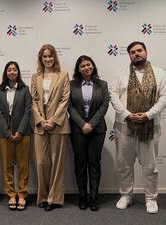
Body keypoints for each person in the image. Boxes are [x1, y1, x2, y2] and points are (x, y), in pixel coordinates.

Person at [109, 41, 166, 214]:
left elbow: (165, 97)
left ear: (146, 52)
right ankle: (126, 195)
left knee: (150, 166)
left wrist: (148, 114)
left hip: (150, 126)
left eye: (139, 50)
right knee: (124, 164)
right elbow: (113, 95)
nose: (136, 54)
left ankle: (151, 199)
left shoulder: (159, 73)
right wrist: (127, 114)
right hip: (124, 126)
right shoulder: (120, 73)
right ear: (129, 55)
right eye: (133, 52)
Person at [31, 44, 71, 211]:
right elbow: (33, 100)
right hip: (40, 126)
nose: (48, 59)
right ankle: (42, 196)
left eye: (50, 56)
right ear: (41, 58)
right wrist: (41, 120)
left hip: (58, 125)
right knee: (41, 163)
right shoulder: (35, 77)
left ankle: (53, 199)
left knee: (57, 163)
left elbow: (65, 99)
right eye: (44, 56)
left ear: (55, 57)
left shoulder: (63, 75)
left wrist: (53, 120)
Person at [68, 55, 109, 211]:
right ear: (78, 69)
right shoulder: (71, 85)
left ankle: (94, 198)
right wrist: (82, 124)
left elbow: (104, 105)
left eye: (88, 65)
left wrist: (91, 124)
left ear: (93, 66)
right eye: (83, 66)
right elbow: (69, 106)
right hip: (77, 130)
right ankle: (82, 197)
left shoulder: (102, 85)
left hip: (97, 130)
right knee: (80, 163)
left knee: (94, 163)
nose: (86, 68)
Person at [0, 61, 32, 211]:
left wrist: (20, 131)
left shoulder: (25, 89)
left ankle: (22, 194)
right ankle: (11, 194)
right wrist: (7, 132)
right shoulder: (0, 90)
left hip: (23, 132)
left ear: (18, 72)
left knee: (23, 165)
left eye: (14, 69)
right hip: (5, 133)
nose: (12, 72)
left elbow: (28, 111)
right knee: (7, 165)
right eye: (9, 70)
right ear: (6, 72)